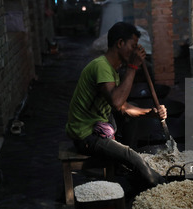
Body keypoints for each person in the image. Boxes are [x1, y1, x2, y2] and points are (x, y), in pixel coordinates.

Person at [66, 22, 166, 187]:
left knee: (129, 112)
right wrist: (133, 67)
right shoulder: (101, 67)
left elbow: (123, 107)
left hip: (99, 126)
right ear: (120, 43)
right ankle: (161, 185)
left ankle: (123, 165)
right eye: (132, 46)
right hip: (86, 135)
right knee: (133, 157)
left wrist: (151, 112)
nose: (135, 51)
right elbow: (117, 102)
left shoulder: (111, 70)